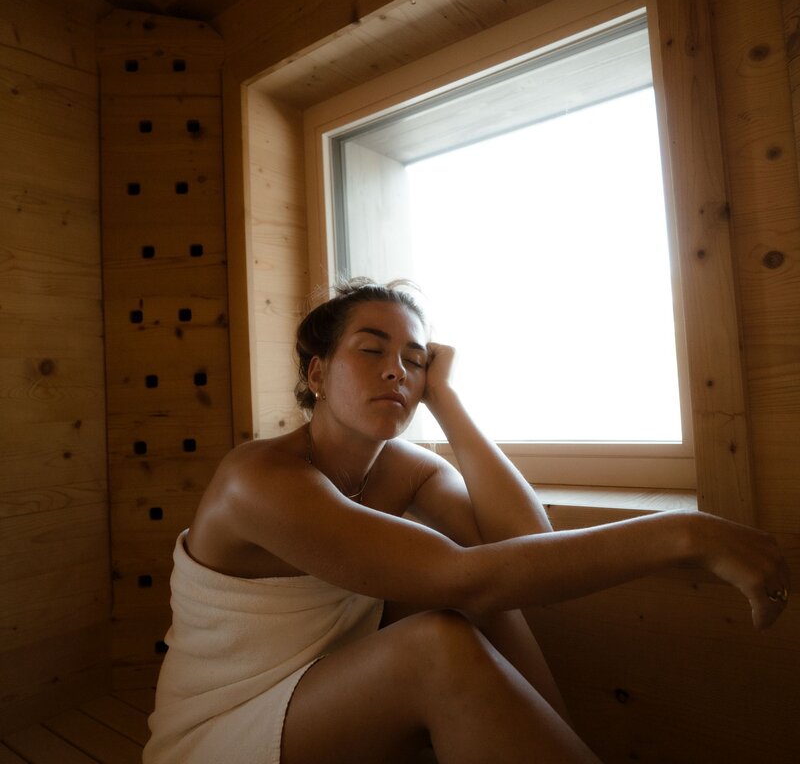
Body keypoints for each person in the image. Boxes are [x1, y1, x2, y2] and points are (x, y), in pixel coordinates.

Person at [144, 278, 789, 764]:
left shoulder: (403, 468)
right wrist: (687, 533)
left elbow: (526, 544)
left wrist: (447, 402)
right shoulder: (258, 478)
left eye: (415, 360)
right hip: (222, 728)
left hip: (322, 691)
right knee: (439, 640)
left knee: (478, 605)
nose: (397, 369)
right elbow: (464, 573)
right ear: (317, 372)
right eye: (371, 350)